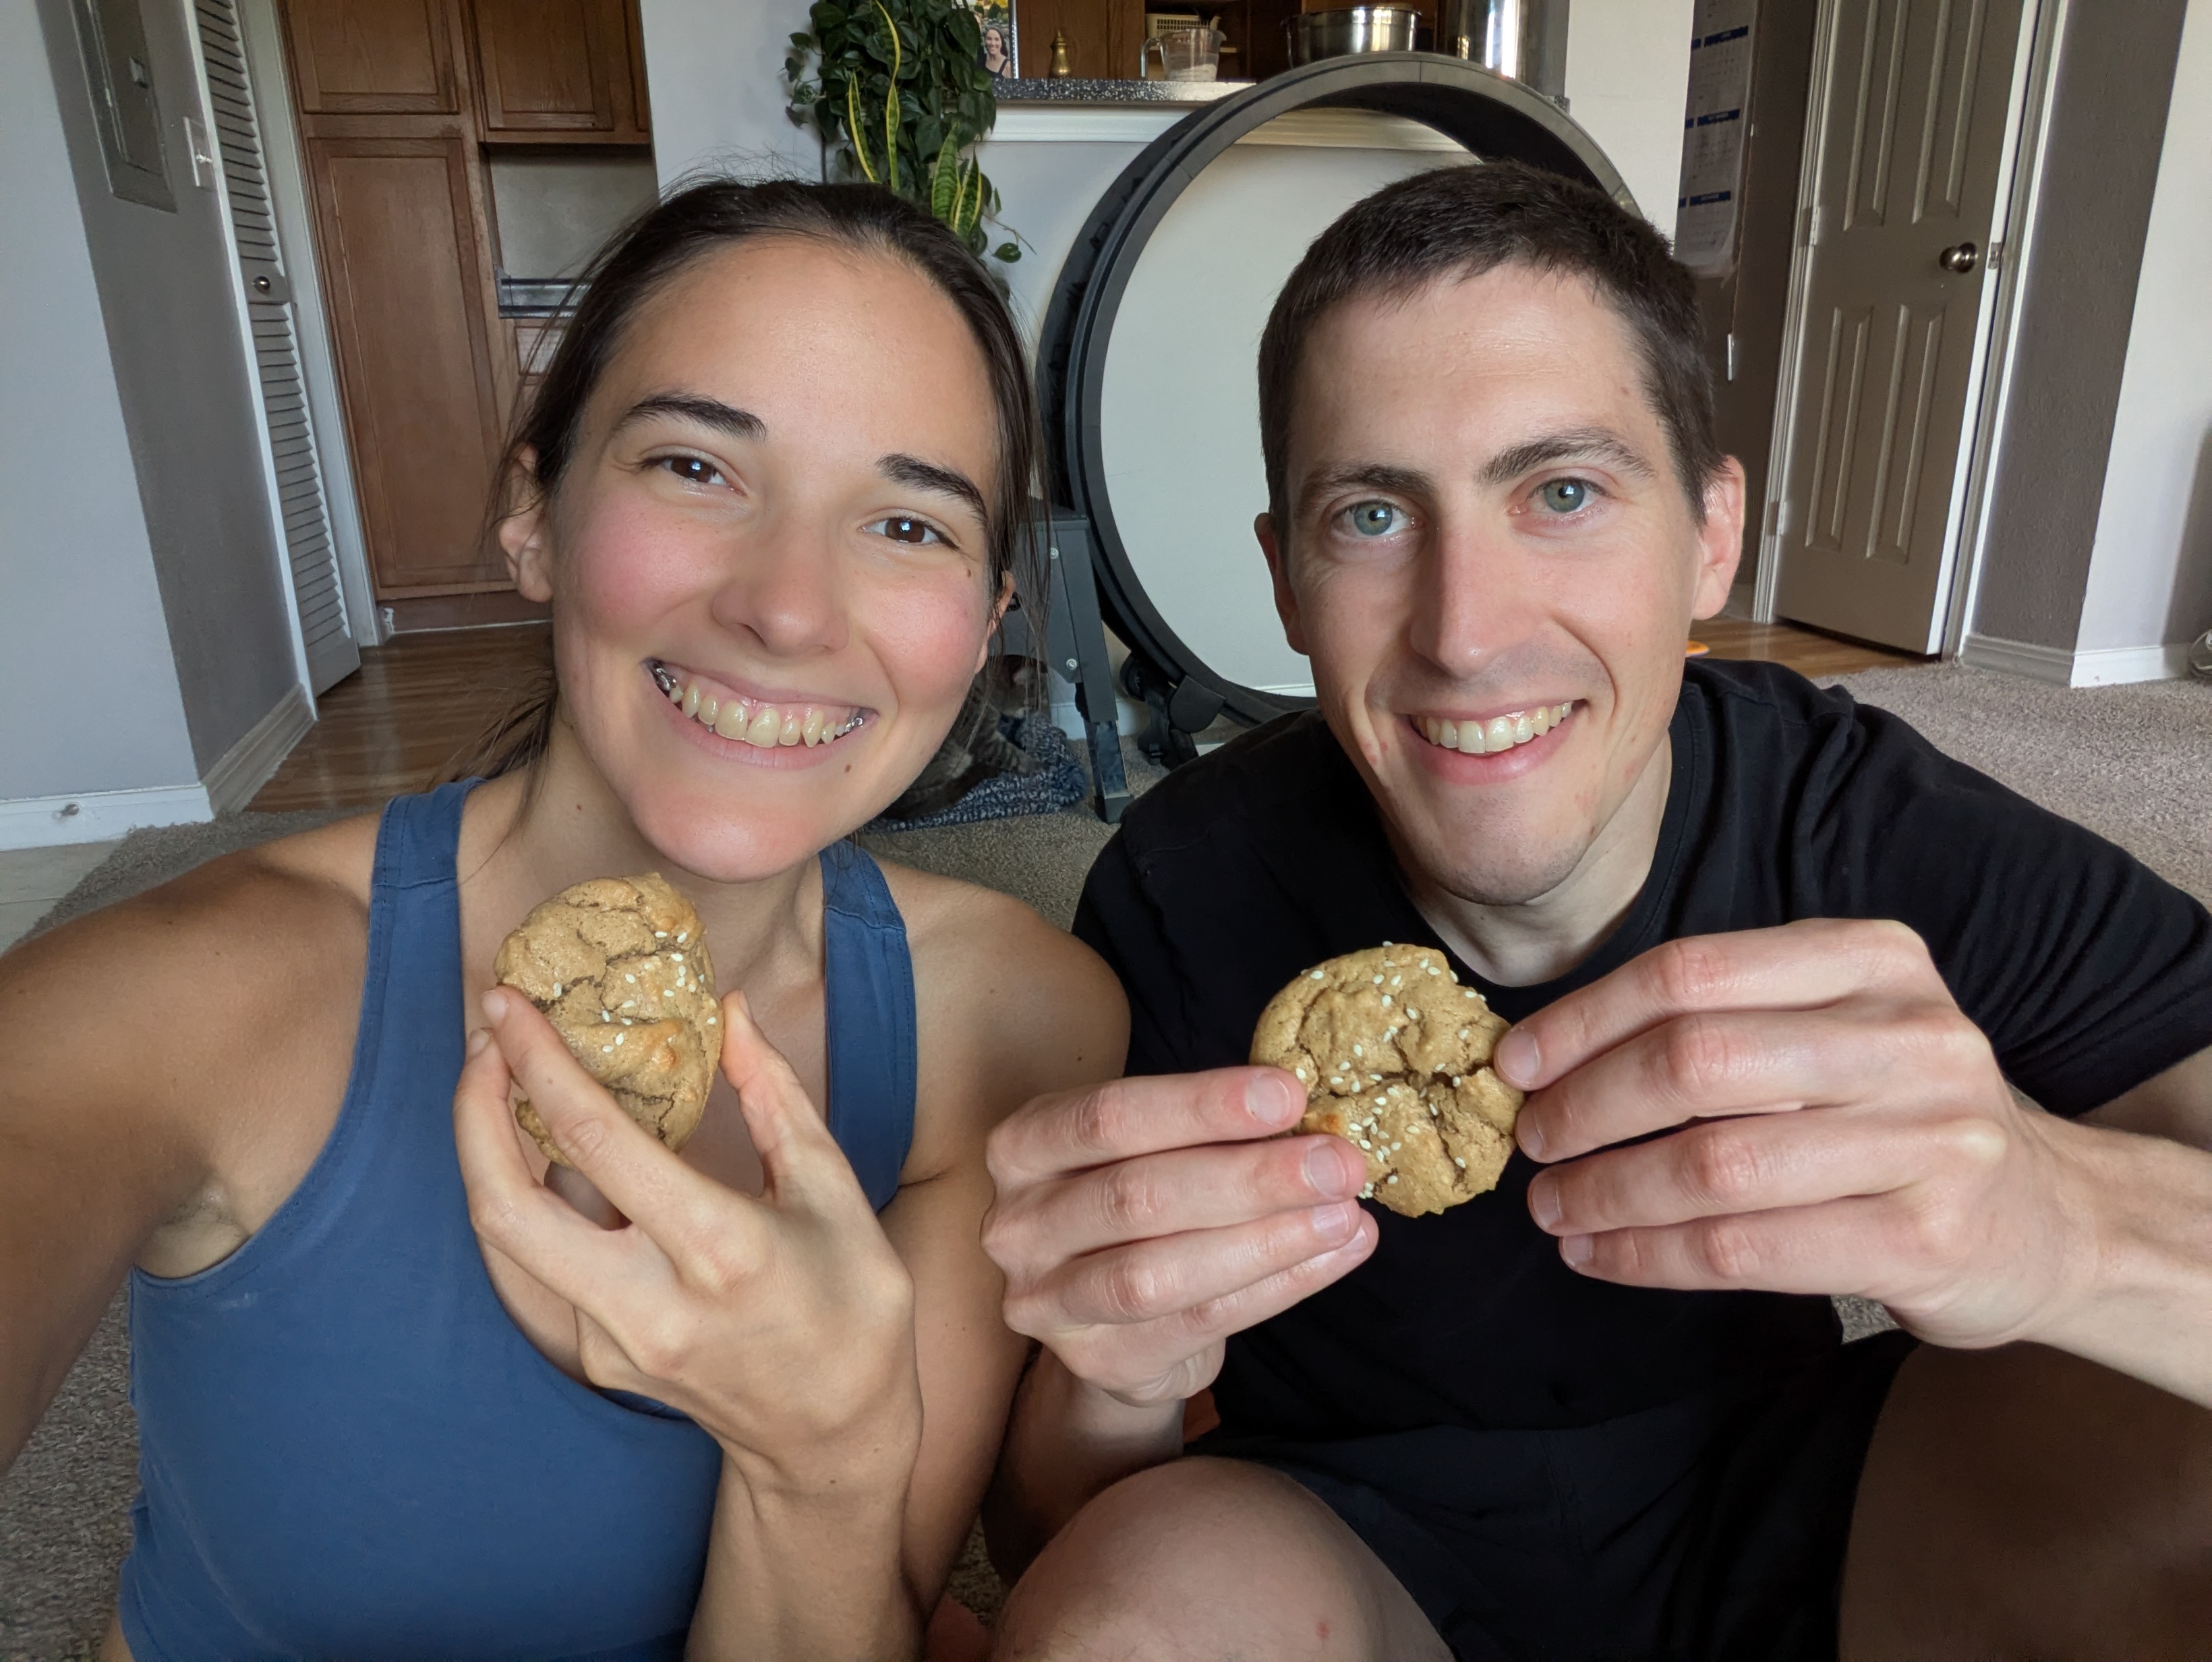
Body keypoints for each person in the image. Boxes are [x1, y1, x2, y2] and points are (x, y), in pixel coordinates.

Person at [979, 161, 2212, 1661]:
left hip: (1830, 1494)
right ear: (1286, 583)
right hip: (1342, 1528)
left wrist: (2065, 1216)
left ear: (1710, 535)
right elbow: (1047, 1529)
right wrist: (1111, 1375)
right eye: (1372, 514)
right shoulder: (1186, 884)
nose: (1465, 632)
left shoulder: (1851, 820)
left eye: (1561, 493)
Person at [0, 179, 1124, 1660]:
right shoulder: (183, 992)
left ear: (982, 626)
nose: (789, 609)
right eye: (696, 466)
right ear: (536, 514)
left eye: (909, 522)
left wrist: (828, 1457)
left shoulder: (1017, 1021)